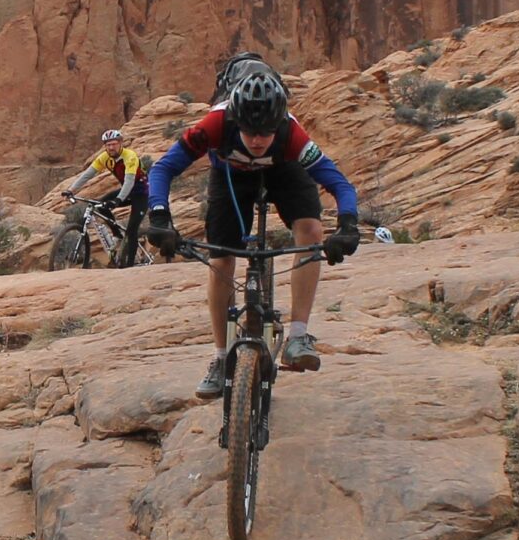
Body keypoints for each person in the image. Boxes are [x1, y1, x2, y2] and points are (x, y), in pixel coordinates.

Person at [145, 60, 361, 397]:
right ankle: (220, 357)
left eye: (266, 132)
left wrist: (347, 224)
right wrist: (159, 217)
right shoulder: (216, 123)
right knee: (221, 259)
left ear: (278, 124)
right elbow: (163, 169)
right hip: (230, 174)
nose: (258, 140)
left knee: (311, 230)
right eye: (250, 132)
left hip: (284, 169)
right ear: (235, 121)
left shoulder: (291, 134)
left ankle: (299, 335)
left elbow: (339, 184)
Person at [55, 128, 148, 266]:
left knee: (132, 229)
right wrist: (71, 190)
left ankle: (129, 266)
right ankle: (117, 235)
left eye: (114, 144)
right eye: (108, 144)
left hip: (141, 193)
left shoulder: (130, 156)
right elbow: (87, 174)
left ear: (120, 143)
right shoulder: (104, 158)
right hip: (126, 191)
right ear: (105, 146)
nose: (111, 147)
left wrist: (118, 200)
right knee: (102, 204)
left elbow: (129, 181)